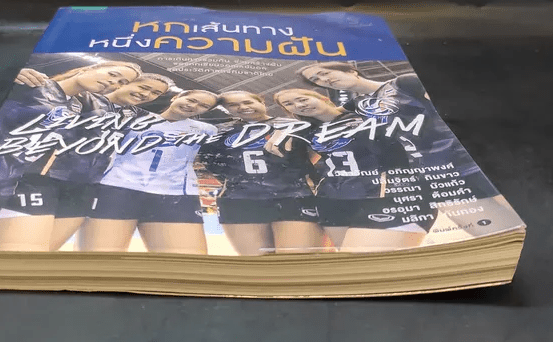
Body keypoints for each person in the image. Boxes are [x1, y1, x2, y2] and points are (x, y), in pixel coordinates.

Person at [0, 60, 143, 250]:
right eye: (113, 75)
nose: (114, 83)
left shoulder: (77, 107)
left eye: (121, 83)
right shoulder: (29, 84)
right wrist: (5, 74)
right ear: (88, 68)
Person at [298, 61, 517, 236]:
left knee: (522, 216)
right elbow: (324, 113)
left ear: (350, 70)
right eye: (317, 80)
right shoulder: (357, 105)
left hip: (468, 161)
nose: (324, 79)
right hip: (434, 175)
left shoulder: (405, 83)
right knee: (492, 234)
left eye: (324, 72)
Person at [274, 88, 427, 251]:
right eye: (288, 104)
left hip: (382, 193)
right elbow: (300, 166)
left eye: (303, 99)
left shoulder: (364, 112)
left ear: (321, 98)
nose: (298, 105)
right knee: (350, 257)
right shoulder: (307, 132)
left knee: (365, 255)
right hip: (333, 199)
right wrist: (285, 135)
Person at [78, 90, 219, 254]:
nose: (193, 106)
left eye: (203, 106)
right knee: (98, 257)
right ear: (175, 97)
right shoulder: (133, 120)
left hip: (175, 195)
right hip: (117, 188)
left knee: (188, 260)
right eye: (191, 100)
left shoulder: (208, 130)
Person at [198, 91, 323, 255]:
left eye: (248, 102)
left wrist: (295, 170)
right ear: (227, 109)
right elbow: (213, 163)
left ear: (262, 101)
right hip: (240, 200)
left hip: (293, 197)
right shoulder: (219, 131)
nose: (242, 107)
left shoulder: (296, 126)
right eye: (233, 105)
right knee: (257, 262)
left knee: (297, 259)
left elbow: (315, 152)